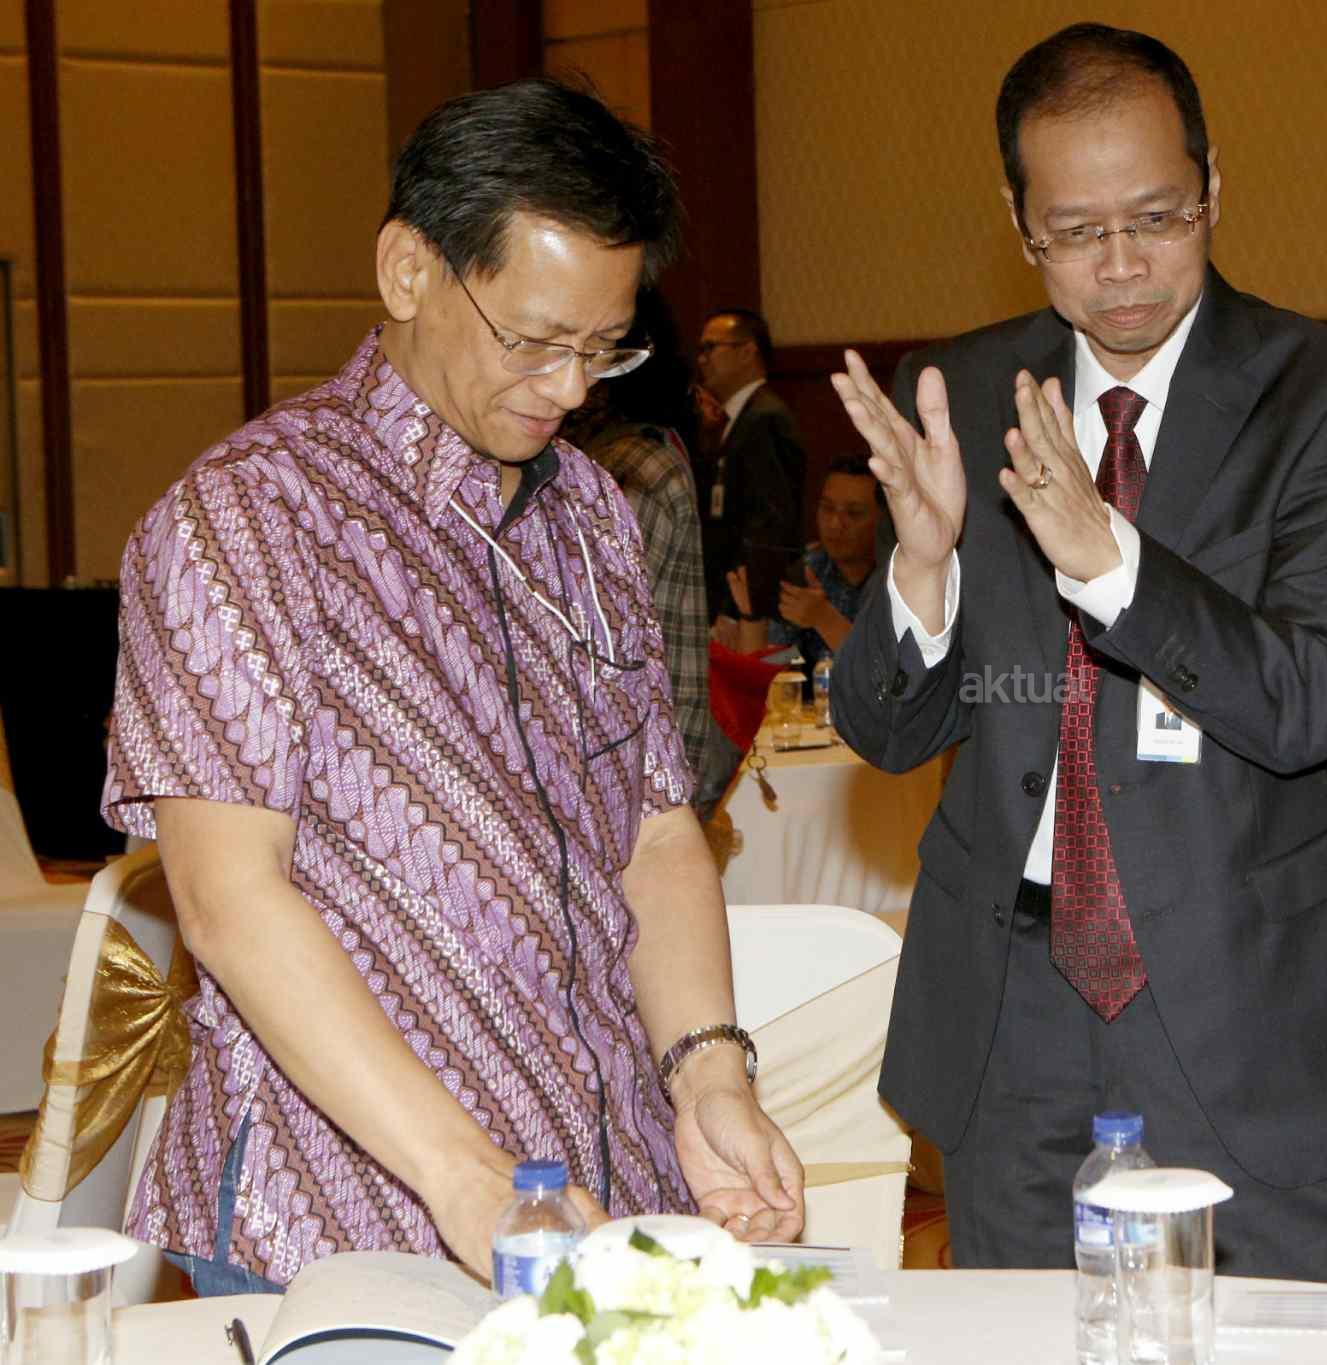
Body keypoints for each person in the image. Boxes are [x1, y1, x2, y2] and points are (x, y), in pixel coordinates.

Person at [99, 78, 802, 1293]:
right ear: (408, 270)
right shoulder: (249, 518)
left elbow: (651, 829)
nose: (570, 388)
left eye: (602, 348)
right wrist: (466, 1176)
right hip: (340, 1207)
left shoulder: (590, 513)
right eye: (533, 340)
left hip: (601, 1184)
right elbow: (228, 899)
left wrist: (708, 1077)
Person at [827, 23, 1327, 1285]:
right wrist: (920, 569)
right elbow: (887, 732)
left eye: (1157, 218)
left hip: (1247, 991)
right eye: (1076, 232)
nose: (1122, 267)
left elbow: (1310, 699)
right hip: (1010, 1007)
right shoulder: (961, 391)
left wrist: (1111, 565)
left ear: (1213, 187)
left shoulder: (1323, 393)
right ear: (1017, 223)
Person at [561, 286, 718, 811]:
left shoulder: (631, 467)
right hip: (647, 768)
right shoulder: (640, 449)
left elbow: (603, 644)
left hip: (640, 778)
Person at [715, 455, 882, 665]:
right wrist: (752, 617)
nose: (835, 523)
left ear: (885, 520)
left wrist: (825, 619)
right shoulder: (808, 570)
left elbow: (887, 673)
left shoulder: (901, 579)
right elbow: (774, 663)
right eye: (827, 508)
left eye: (854, 513)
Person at [695, 307, 808, 610]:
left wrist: (744, 609)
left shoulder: (764, 418)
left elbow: (769, 526)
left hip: (752, 603)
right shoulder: (738, 418)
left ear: (747, 352)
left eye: (710, 347)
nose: (702, 359)